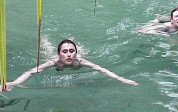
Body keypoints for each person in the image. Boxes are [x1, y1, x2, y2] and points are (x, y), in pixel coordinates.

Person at [1, 39, 138, 92]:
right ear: (60, 54)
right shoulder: (54, 62)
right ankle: (46, 42)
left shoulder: (80, 61)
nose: (68, 55)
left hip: (79, 58)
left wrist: (122, 79)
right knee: (47, 51)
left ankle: (74, 42)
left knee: (82, 52)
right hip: (54, 59)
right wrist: (14, 83)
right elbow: (32, 72)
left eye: (72, 51)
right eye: (65, 52)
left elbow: (101, 69)